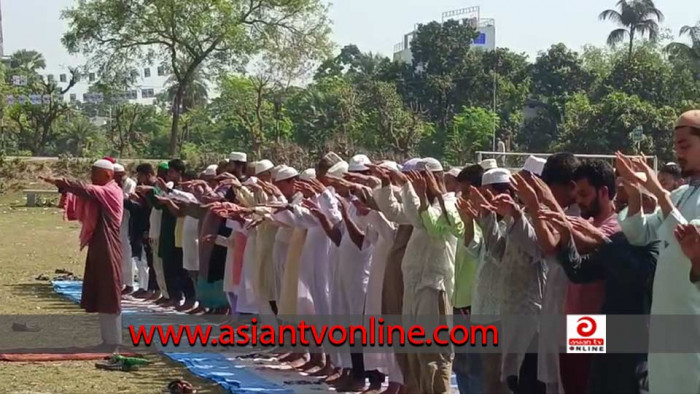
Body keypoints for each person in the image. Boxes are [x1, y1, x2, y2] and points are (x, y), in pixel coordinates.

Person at [616, 110, 700, 394]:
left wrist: (657, 190)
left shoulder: (672, 198)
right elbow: (638, 234)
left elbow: (688, 238)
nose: (678, 152)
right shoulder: (680, 195)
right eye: (676, 146)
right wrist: (636, 192)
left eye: (685, 145)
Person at [41, 159, 124, 349]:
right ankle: (107, 340)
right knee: (101, 290)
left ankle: (114, 342)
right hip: (98, 242)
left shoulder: (111, 191)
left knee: (109, 291)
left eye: (95, 173)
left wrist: (61, 182)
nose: (92, 177)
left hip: (108, 243)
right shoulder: (102, 190)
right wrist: (65, 189)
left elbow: (87, 191)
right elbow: (85, 193)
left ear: (108, 174)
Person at [114, 163, 137, 294]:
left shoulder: (130, 184)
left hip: (128, 221)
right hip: (117, 222)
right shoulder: (114, 184)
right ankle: (119, 281)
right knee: (119, 253)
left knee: (127, 253)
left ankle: (129, 283)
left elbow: (127, 201)